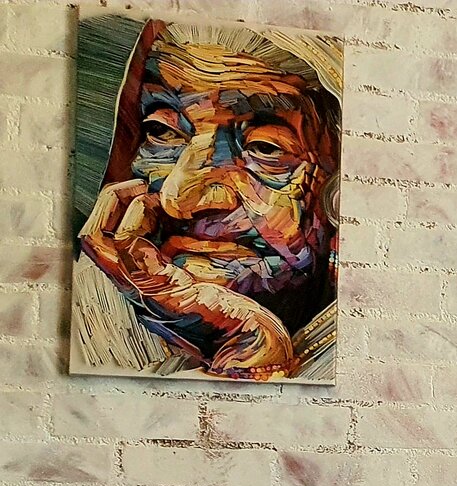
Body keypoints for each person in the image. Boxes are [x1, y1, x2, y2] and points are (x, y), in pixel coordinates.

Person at [77, 20, 341, 380]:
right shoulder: (89, 338)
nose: (177, 198)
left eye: (266, 148)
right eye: (161, 131)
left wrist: (254, 352)